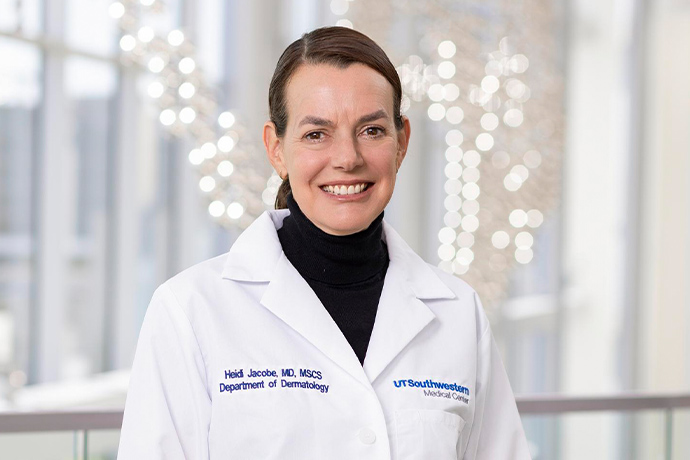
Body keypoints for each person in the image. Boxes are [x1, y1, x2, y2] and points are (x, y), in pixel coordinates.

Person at [117, 26, 531, 460]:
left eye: (371, 130)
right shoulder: (191, 310)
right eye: (317, 134)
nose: (347, 158)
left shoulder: (457, 314)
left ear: (401, 142)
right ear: (276, 149)